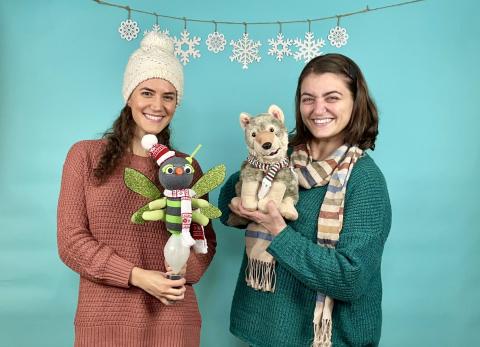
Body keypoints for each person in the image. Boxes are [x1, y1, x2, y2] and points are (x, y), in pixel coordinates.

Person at [218, 53, 391, 347]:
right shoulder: (283, 153)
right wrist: (238, 206)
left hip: (325, 339)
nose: (318, 109)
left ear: (355, 101)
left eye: (332, 97)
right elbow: (225, 202)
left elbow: (350, 278)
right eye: (308, 98)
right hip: (265, 331)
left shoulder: (365, 181)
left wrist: (279, 232)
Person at [57, 32, 216, 347]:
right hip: (104, 323)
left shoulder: (186, 168)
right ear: (129, 96)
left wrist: (186, 267)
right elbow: (71, 242)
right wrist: (138, 276)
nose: (158, 105)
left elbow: (205, 241)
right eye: (147, 92)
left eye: (168, 96)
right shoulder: (84, 156)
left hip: (174, 322)